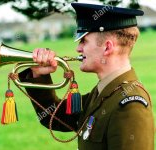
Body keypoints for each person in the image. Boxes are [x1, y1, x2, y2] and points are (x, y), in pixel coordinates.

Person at [19, 2, 154, 150]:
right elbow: (54, 117)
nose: (78, 48)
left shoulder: (130, 105)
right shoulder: (105, 92)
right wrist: (38, 75)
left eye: (84, 41)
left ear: (107, 47)